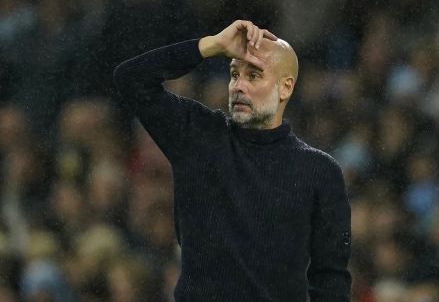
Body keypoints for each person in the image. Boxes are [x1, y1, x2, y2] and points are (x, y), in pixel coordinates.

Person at [112, 20, 351, 301]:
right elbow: (130, 78)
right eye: (234, 74)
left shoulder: (319, 172)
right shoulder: (198, 137)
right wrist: (212, 45)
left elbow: (331, 280)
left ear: (285, 88)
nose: (238, 86)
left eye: (253, 76)